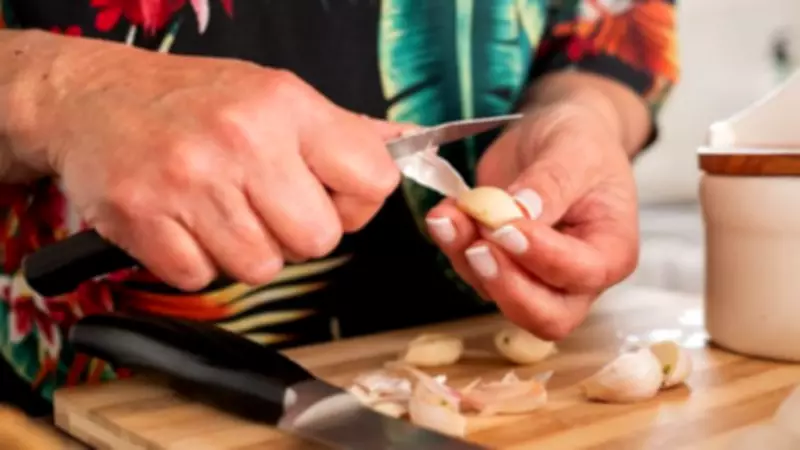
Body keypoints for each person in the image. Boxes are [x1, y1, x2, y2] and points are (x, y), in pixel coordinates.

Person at [0, 0, 679, 415]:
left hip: (462, 383)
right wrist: (58, 90)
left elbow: (610, 36)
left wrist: (582, 116)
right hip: (67, 397)